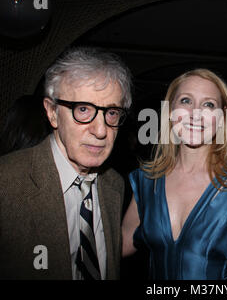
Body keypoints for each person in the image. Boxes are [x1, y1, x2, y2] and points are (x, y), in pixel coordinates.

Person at [0, 47, 132, 279]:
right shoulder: (7, 182)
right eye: (83, 109)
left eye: (111, 113)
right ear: (52, 112)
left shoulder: (114, 185)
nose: (101, 131)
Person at [121, 68, 227, 279]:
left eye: (208, 104)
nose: (195, 113)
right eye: (186, 101)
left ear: (223, 117)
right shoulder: (147, 181)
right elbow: (118, 245)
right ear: (170, 111)